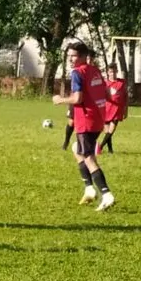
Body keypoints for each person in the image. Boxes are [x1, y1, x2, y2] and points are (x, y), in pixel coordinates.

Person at [52, 42, 115, 211]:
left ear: (83, 56)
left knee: (88, 157)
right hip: (98, 119)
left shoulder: (77, 73)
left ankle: (106, 194)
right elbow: (108, 94)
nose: (71, 59)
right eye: (70, 56)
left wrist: (60, 100)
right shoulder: (95, 71)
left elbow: (77, 98)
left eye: (74, 56)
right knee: (76, 149)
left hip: (86, 120)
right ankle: (89, 189)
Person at [62, 52, 96, 151]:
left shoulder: (93, 72)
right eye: (88, 59)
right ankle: (66, 141)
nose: (89, 61)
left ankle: (84, 146)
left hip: (87, 103)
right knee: (71, 122)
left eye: (91, 59)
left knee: (84, 124)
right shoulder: (78, 71)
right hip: (76, 99)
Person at [97, 63, 128, 154]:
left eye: (114, 71)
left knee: (111, 130)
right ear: (108, 72)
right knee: (107, 131)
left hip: (117, 110)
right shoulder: (105, 83)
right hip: (106, 109)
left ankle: (100, 147)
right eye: (111, 72)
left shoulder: (121, 83)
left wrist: (126, 110)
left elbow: (126, 97)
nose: (113, 73)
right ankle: (110, 150)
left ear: (117, 72)